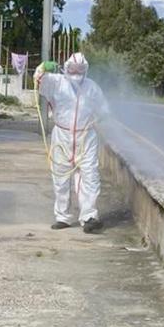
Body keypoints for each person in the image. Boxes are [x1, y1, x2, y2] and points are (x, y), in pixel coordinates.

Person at [35, 52, 109, 233]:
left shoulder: (92, 88)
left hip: (86, 136)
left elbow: (104, 109)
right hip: (62, 135)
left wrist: (101, 118)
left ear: (86, 70)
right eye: (73, 69)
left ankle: (89, 216)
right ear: (66, 68)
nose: (76, 72)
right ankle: (63, 217)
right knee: (60, 176)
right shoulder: (56, 82)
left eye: (80, 69)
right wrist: (44, 66)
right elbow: (38, 79)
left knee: (90, 175)